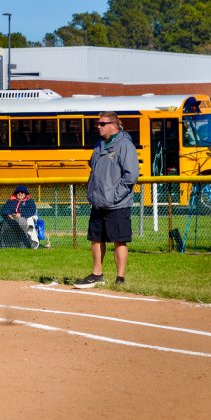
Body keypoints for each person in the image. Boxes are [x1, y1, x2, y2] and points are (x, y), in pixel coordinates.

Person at [74, 112, 139, 289]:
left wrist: (115, 195)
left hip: (117, 203)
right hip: (98, 201)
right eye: (98, 123)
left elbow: (131, 175)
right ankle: (97, 274)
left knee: (119, 240)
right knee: (96, 238)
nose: (99, 126)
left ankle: (120, 278)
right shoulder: (99, 145)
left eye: (102, 123)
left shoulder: (125, 145)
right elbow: (93, 168)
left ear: (114, 125)